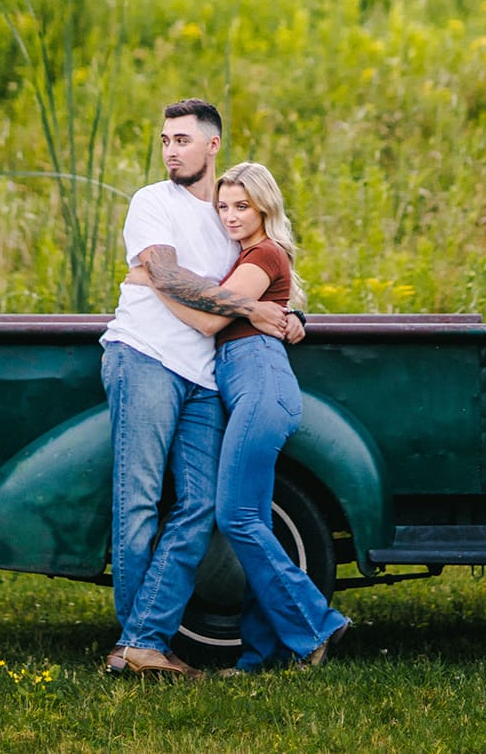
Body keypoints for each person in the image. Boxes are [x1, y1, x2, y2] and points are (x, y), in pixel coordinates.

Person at [99, 100, 298, 678]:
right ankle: (136, 643)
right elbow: (163, 272)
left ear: (213, 146)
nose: (170, 151)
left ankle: (144, 640)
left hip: (204, 376)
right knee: (137, 502)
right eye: (164, 140)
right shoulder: (151, 202)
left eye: (182, 140)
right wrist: (251, 308)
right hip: (145, 358)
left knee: (203, 504)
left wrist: (287, 313)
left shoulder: (229, 215)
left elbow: (263, 275)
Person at [132, 161, 350, 672]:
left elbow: (210, 319)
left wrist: (155, 283)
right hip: (247, 383)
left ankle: (317, 626)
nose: (230, 216)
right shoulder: (245, 256)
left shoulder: (263, 253)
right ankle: (260, 654)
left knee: (237, 516)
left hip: (259, 383)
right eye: (223, 206)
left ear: (264, 207)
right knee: (254, 522)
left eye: (241, 206)